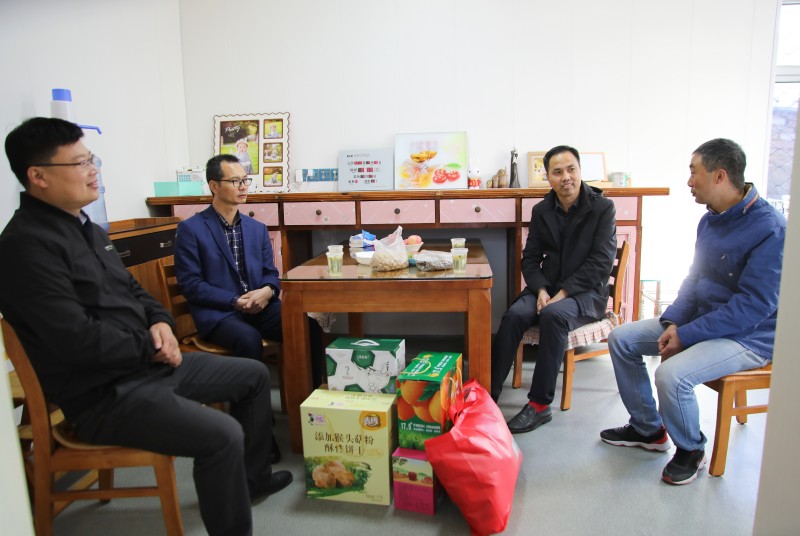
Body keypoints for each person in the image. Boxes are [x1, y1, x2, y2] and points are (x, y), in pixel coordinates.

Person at [0, 117, 291, 536]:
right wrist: (152, 346)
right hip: (104, 394)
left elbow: (134, 292)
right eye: (80, 163)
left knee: (253, 375)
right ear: (38, 176)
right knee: (223, 433)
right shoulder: (24, 248)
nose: (94, 171)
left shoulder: (86, 230)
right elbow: (76, 339)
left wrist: (160, 322)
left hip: (146, 365)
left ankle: (254, 477)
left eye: (92, 159)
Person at [600, 139, 785, 485]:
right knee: (621, 339)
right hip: (704, 320)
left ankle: (690, 449)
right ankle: (648, 429)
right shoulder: (709, 220)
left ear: (719, 176)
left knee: (671, 375)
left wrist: (686, 335)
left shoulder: (772, 229)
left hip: (749, 337)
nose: (688, 181)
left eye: (693, 172)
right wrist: (673, 322)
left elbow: (753, 307)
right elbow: (694, 278)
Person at [491, 145, 617, 433]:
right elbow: (530, 259)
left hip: (586, 293)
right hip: (547, 288)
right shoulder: (542, 210)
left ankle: (539, 405)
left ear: (580, 170)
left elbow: (601, 263)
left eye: (571, 169)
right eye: (557, 172)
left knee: (554, 315)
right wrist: (541, 290)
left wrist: (563, 294)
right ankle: (488, 394)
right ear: (548, 177)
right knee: (514, 315)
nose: (566, 177)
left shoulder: (602, 208)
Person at [173, 154, 326, 386]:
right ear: (214, 186)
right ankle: (252, 408)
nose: (243, 186)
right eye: (235, 181)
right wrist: (235, 300)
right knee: (248, 339)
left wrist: (267, 291)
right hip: (220, 313)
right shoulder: (191, 229)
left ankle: (312, 399)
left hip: (260, 307)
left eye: (245, 180)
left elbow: (270, 273)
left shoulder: (257, 228)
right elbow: (191, 285)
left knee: (309, 327)